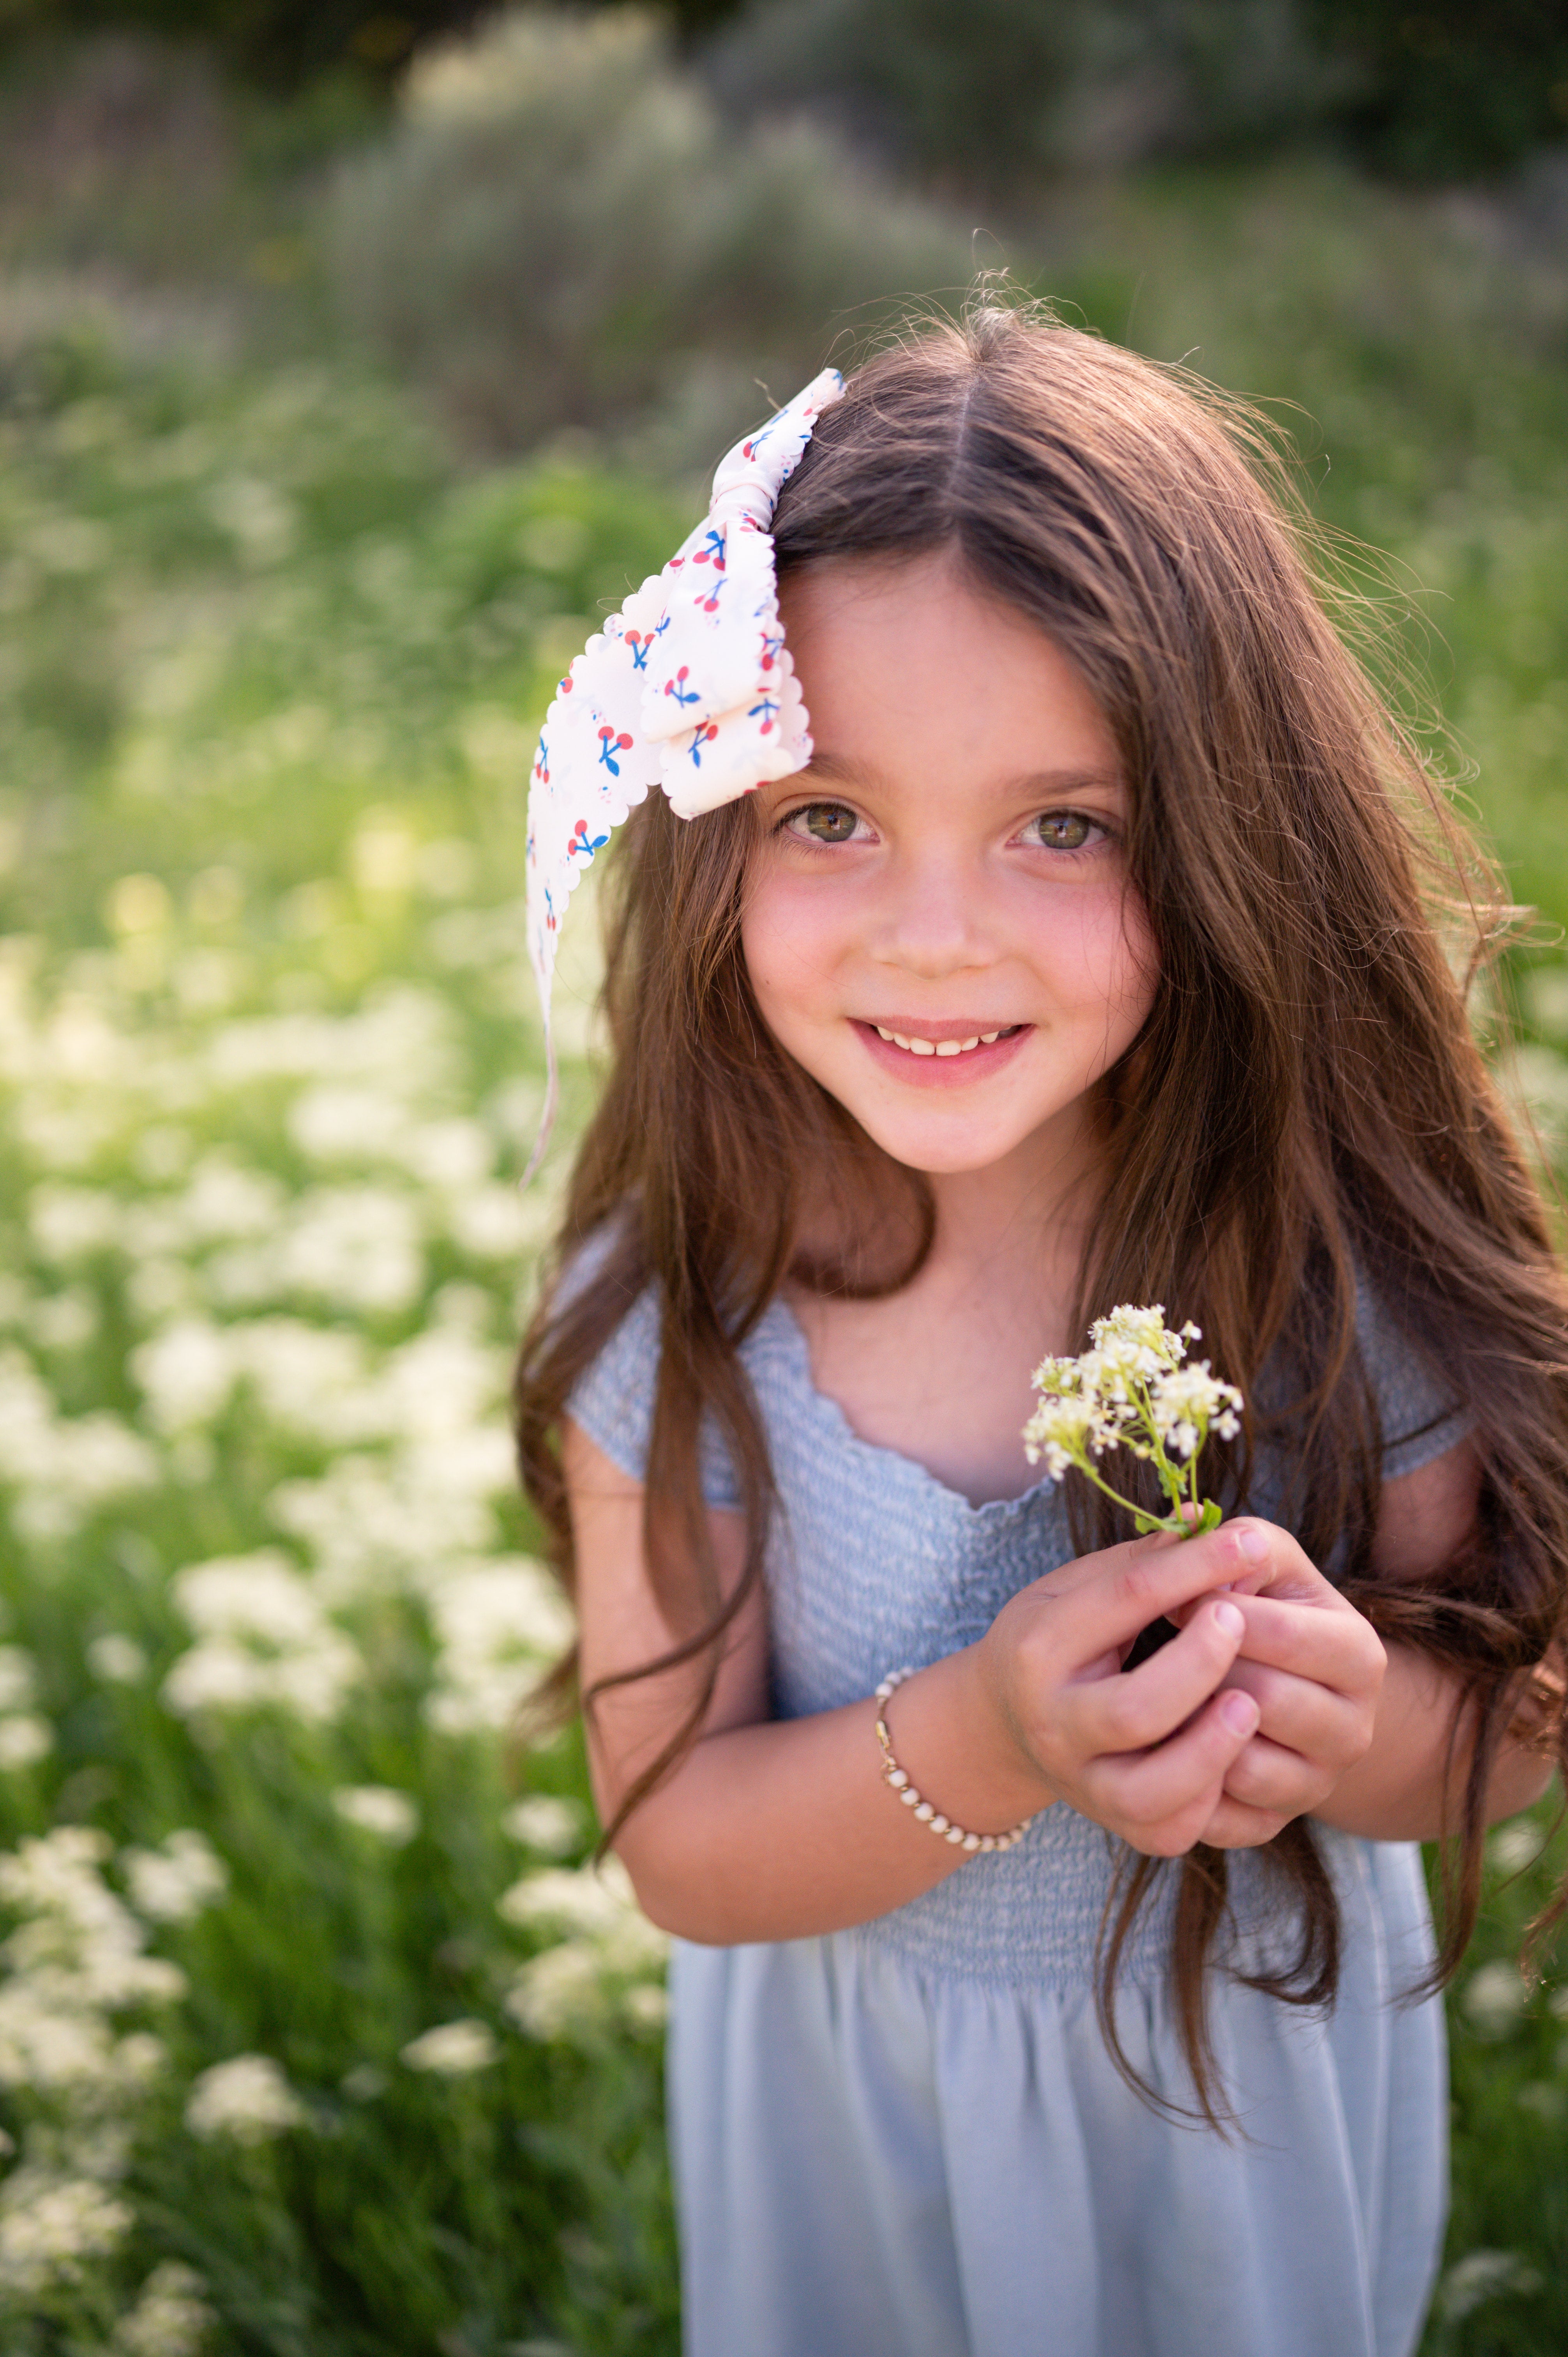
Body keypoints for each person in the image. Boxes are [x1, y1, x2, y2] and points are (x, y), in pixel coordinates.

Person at [513, 304, 1568, 2357]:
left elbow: (1511, 1715)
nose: (935, 929)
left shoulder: (1326, 1264)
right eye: (826, 816)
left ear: (1228, 839)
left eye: (1061, 827)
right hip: (861, 2153)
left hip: (1239, 2144)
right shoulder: (685, 1310)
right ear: (711, 826)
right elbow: (683, 1844)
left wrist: (1348, 1735)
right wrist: (992, 1740)